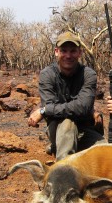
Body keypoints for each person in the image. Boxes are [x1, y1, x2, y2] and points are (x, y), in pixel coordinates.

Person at [28, 31, 105, 161]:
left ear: (80, 53)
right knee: (68, 124)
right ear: (56, 52)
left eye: (73, 51)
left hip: (84, 129)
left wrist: (44, 110)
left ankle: (56, 148)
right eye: (64, 51)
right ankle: (62, 171)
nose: (68, 56)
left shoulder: (88, 74)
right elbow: (57, 105)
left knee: (105, 152)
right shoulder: (47, 74)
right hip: (58, 128)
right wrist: (50, 108)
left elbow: (82, 108)